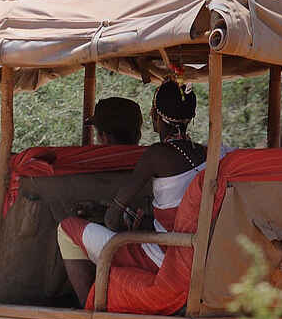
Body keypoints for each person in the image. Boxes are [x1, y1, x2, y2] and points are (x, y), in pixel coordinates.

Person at [56, 81, 202, 305]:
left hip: (163, 258)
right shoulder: (208, 154)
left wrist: (119, 218)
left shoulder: (156, 156)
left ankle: (89, 308)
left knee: (67, 229)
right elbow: (179, 215)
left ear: (155, 116)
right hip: (195, 254)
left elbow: (111, 220)